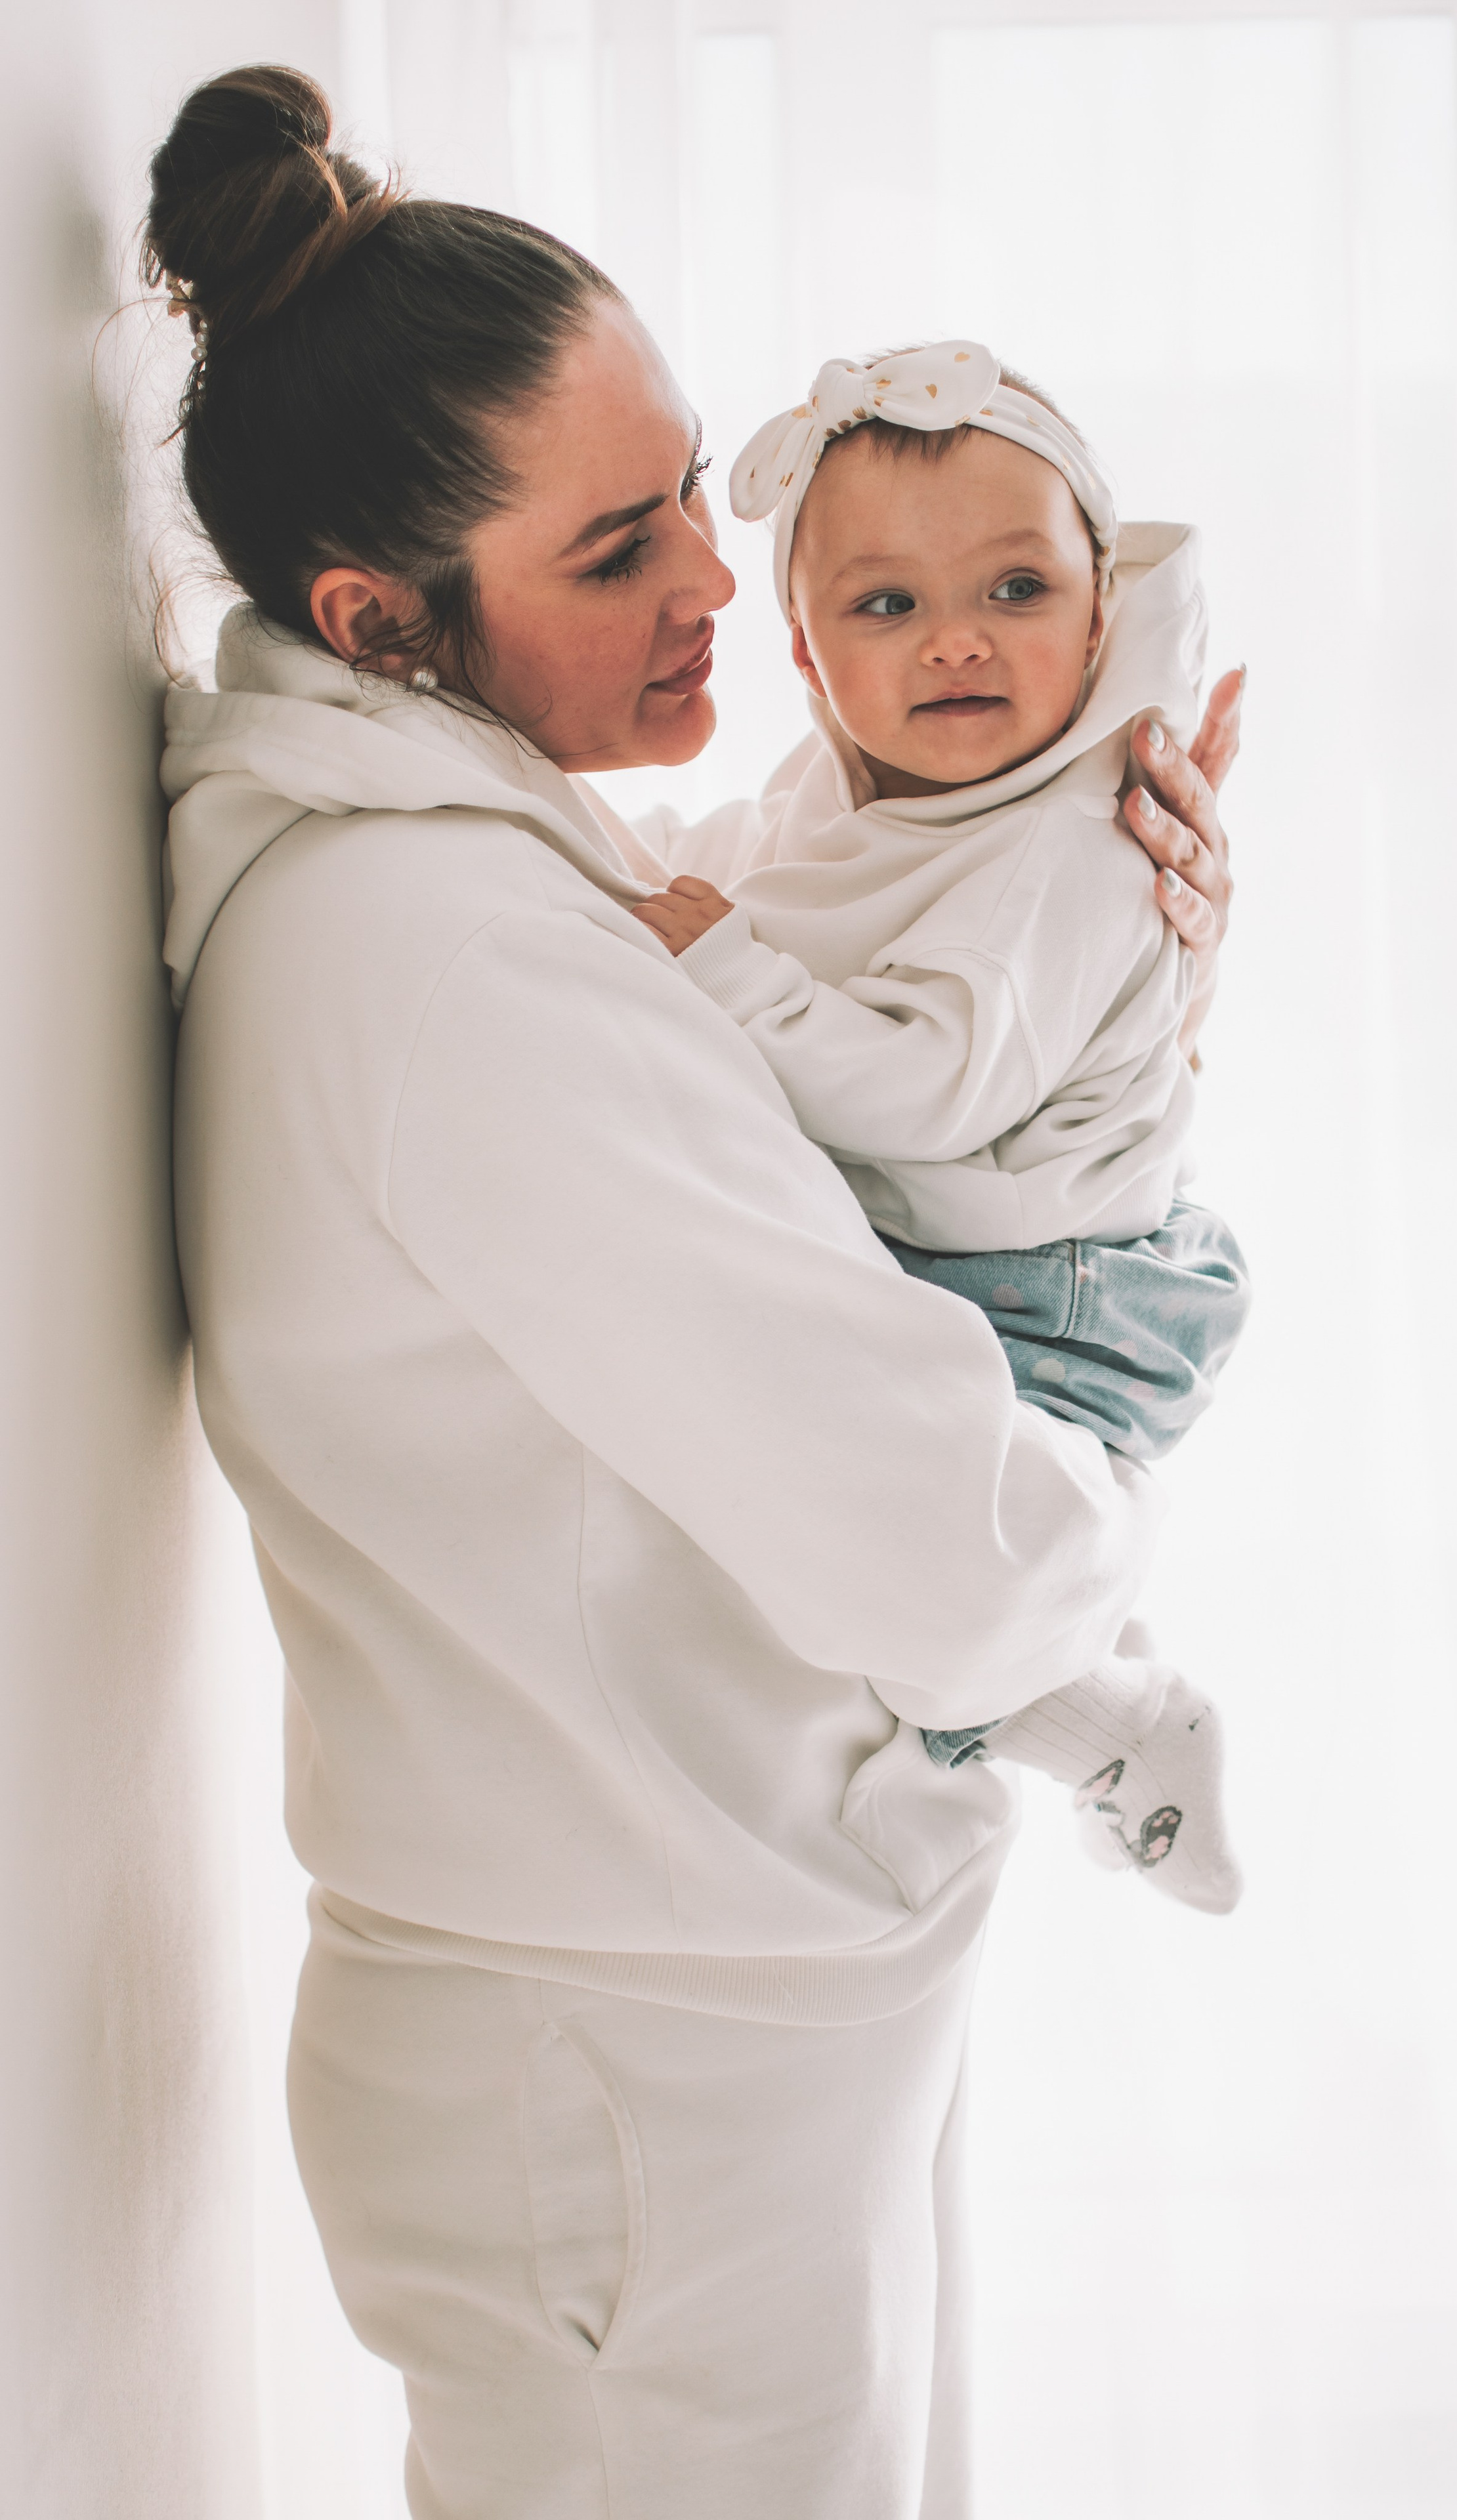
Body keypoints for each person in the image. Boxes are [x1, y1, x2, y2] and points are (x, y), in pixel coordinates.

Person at [146, 62, 1243, 2520]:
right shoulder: (439, 953)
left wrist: (1107, 972)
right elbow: (906, 1505)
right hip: (637, 2050)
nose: (718, 590)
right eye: (625, 543)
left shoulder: (479, 864)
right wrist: (1097, 1477)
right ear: (382, 622)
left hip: (681, 2002)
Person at [631, 340, 1248, 1912]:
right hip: (996, 1252)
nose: (955, 643)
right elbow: (764, 864)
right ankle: (1103, 1695)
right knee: (882, 1543)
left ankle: (1115, 1725)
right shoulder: (865, 787)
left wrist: (722, 974)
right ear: (806, 652)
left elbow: (932, 1086)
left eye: (1015, 592)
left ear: (1100, 607)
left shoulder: (1071, 843)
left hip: (1057, 1287)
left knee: (896, 1582)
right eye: (885, 606)